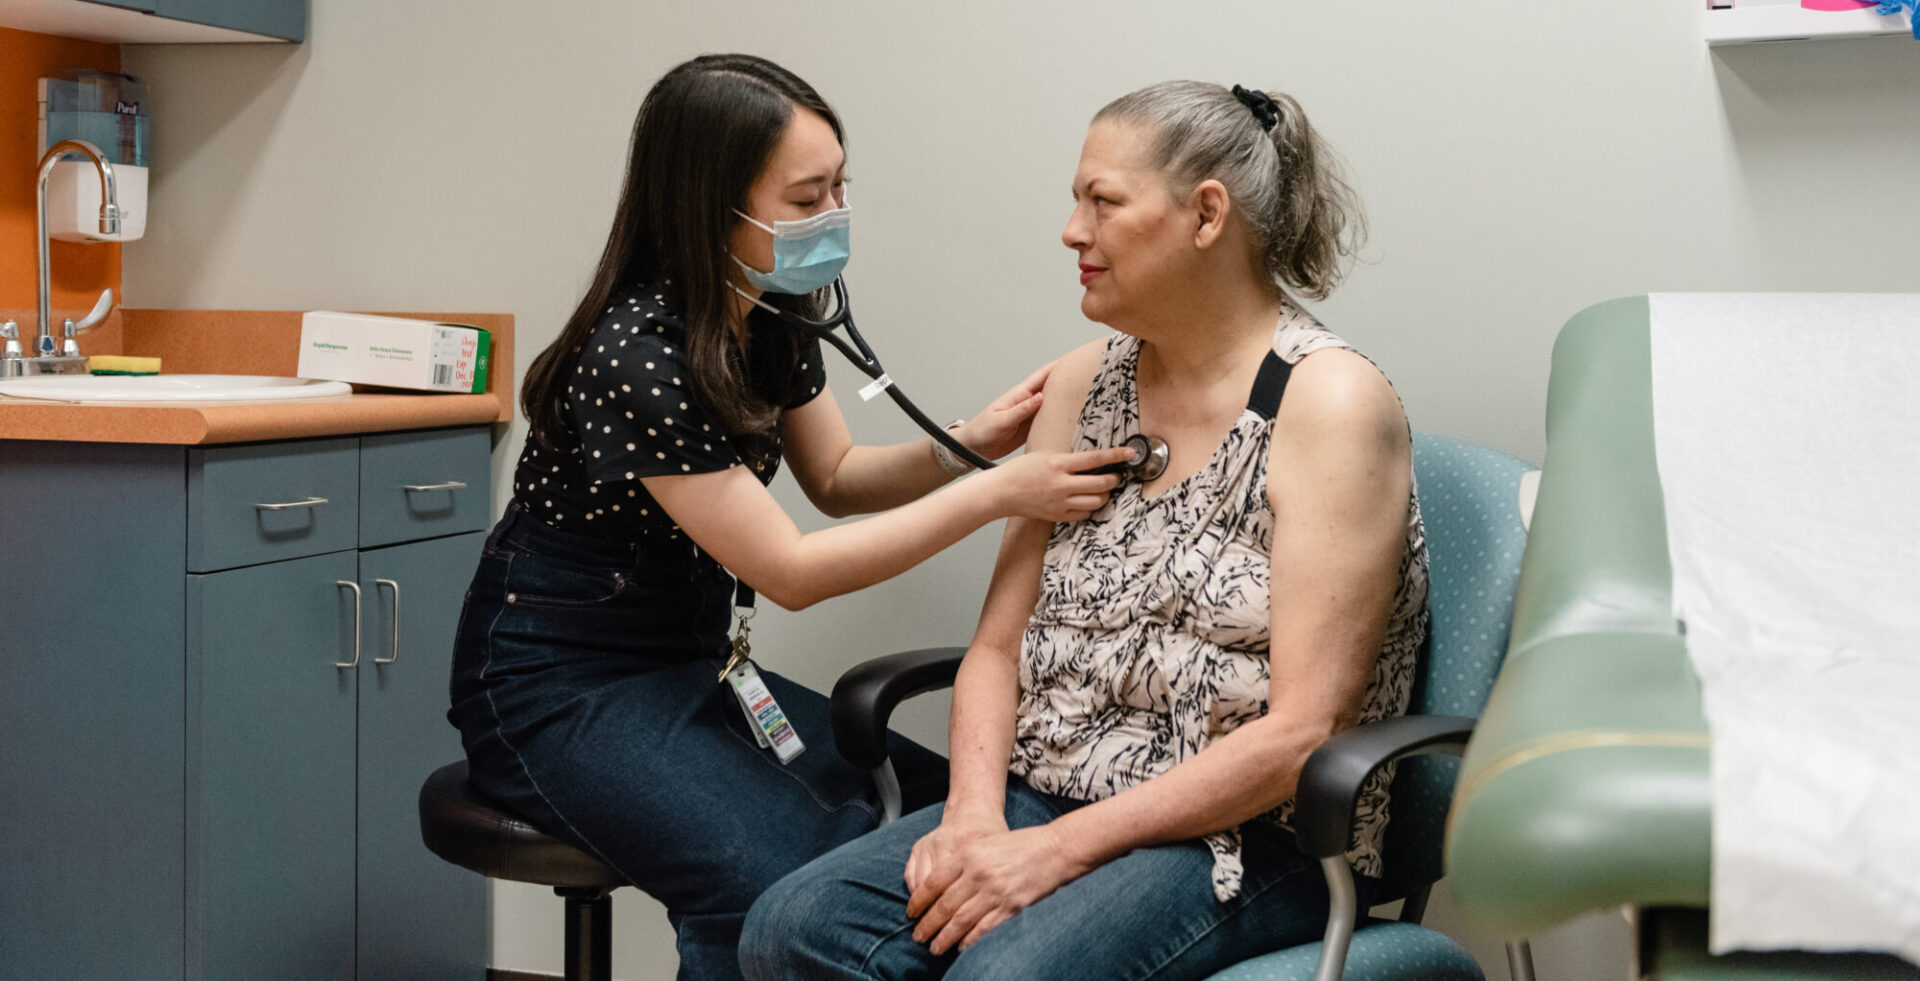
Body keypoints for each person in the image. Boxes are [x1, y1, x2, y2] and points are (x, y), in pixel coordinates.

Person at [447, 54, 1133, 981]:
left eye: (840, 188)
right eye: (808, 198)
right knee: (772, 883)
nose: (834, 217)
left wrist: (969, 443)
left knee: (936, 808)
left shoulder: (772, 309)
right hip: (561, 681)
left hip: (689, 661)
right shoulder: (638, 356)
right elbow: (793, 572)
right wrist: (998, 491)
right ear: (711, 209)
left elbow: (840, 476)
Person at [738, 80, 1431, 980]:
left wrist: (1056, 855)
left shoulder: (1330, 404)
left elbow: (1304, 731)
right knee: (791, 926)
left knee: (1002, 978)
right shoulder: (1082, 385)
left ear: (1207, 214)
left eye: (1101, 202)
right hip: (1044, 797)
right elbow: (998, 646)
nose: (1072, 230)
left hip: (1248, 839)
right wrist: (974, 819)